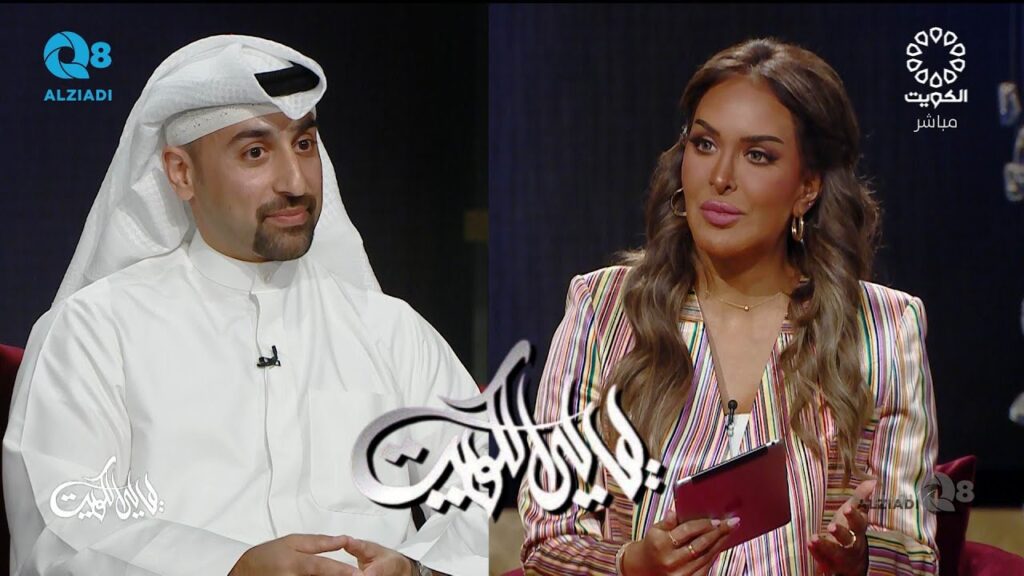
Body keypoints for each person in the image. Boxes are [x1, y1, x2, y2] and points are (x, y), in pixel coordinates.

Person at [3, 35, 486, 576]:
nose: (295, 182)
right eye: (255, 152)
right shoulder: (94, 331)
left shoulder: (392, 332)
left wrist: (416, 567)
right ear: (181, 173)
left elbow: (481, 503)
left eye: (304, 144)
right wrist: (232, 567)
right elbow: (59, 535)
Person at [519, 38, 938, 575]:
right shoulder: (603, 310)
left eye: (757, 155)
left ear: (807, 188)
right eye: (704, 144)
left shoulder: (882, 327)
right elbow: (547, 542)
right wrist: (631, 565)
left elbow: (916, 553)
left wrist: (863, 559)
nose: (720, 177)